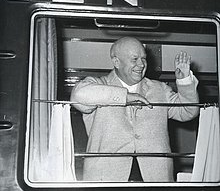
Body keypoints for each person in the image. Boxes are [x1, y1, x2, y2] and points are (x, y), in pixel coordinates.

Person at [70, 37, 199, 182]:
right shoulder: (99, 84)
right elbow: (78, 96)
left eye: (143, 58)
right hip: (106, 179)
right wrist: (125, 97)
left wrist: (184, 82)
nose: (141, 64)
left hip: (156, 179)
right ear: (116, 62)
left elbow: (188, 111)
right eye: (135, 59)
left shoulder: (159, 89)